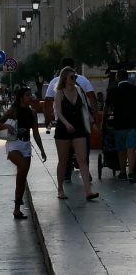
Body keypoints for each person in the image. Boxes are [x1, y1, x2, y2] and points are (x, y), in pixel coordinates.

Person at [0, 86, 47, 219]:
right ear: (21, 98)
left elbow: (36, 133)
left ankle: (17, 209)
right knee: (23, 167)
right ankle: (18, 202)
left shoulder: (33, 113)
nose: (30, 97)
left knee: (22, 179)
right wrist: (7, 125)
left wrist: (42, 150)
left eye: (30, 95)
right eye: (27, 95)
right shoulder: (13, 110)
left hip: (26, 145)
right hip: (14, 144)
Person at [47, 57, 96, 181]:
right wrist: (94, 116)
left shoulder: (54, 82)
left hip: (63, 122)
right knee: (83, 149)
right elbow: (92, 97)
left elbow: (47, 100)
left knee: (66, 150)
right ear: (74, 66)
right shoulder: (83, 80)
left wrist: (49, 118)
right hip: (79, 121)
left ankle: (67, 174)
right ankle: (84, 172)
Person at [53, 67, 98, 200]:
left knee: (82, 159)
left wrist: (93, 122)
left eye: (75, 77)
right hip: (63, 128)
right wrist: (67, 124)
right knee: (63, 161)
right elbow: (58, 112)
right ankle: (60, 189)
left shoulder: (79, 90)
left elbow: (85, 108)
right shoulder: (60, 92)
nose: (75, 79)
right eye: (72, 77)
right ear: (65, 79)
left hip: (79, 128)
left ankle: (88, 191)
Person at [105, 67, 136, 182]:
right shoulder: (134, 89)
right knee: (131, 149)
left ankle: (123, 173)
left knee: (121, 149)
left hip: (119, 124)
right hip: (133, 124)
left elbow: (107, 107)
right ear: (127, 77)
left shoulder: (113, 91)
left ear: (117, 78)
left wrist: (105, 120)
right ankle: (131, 173)